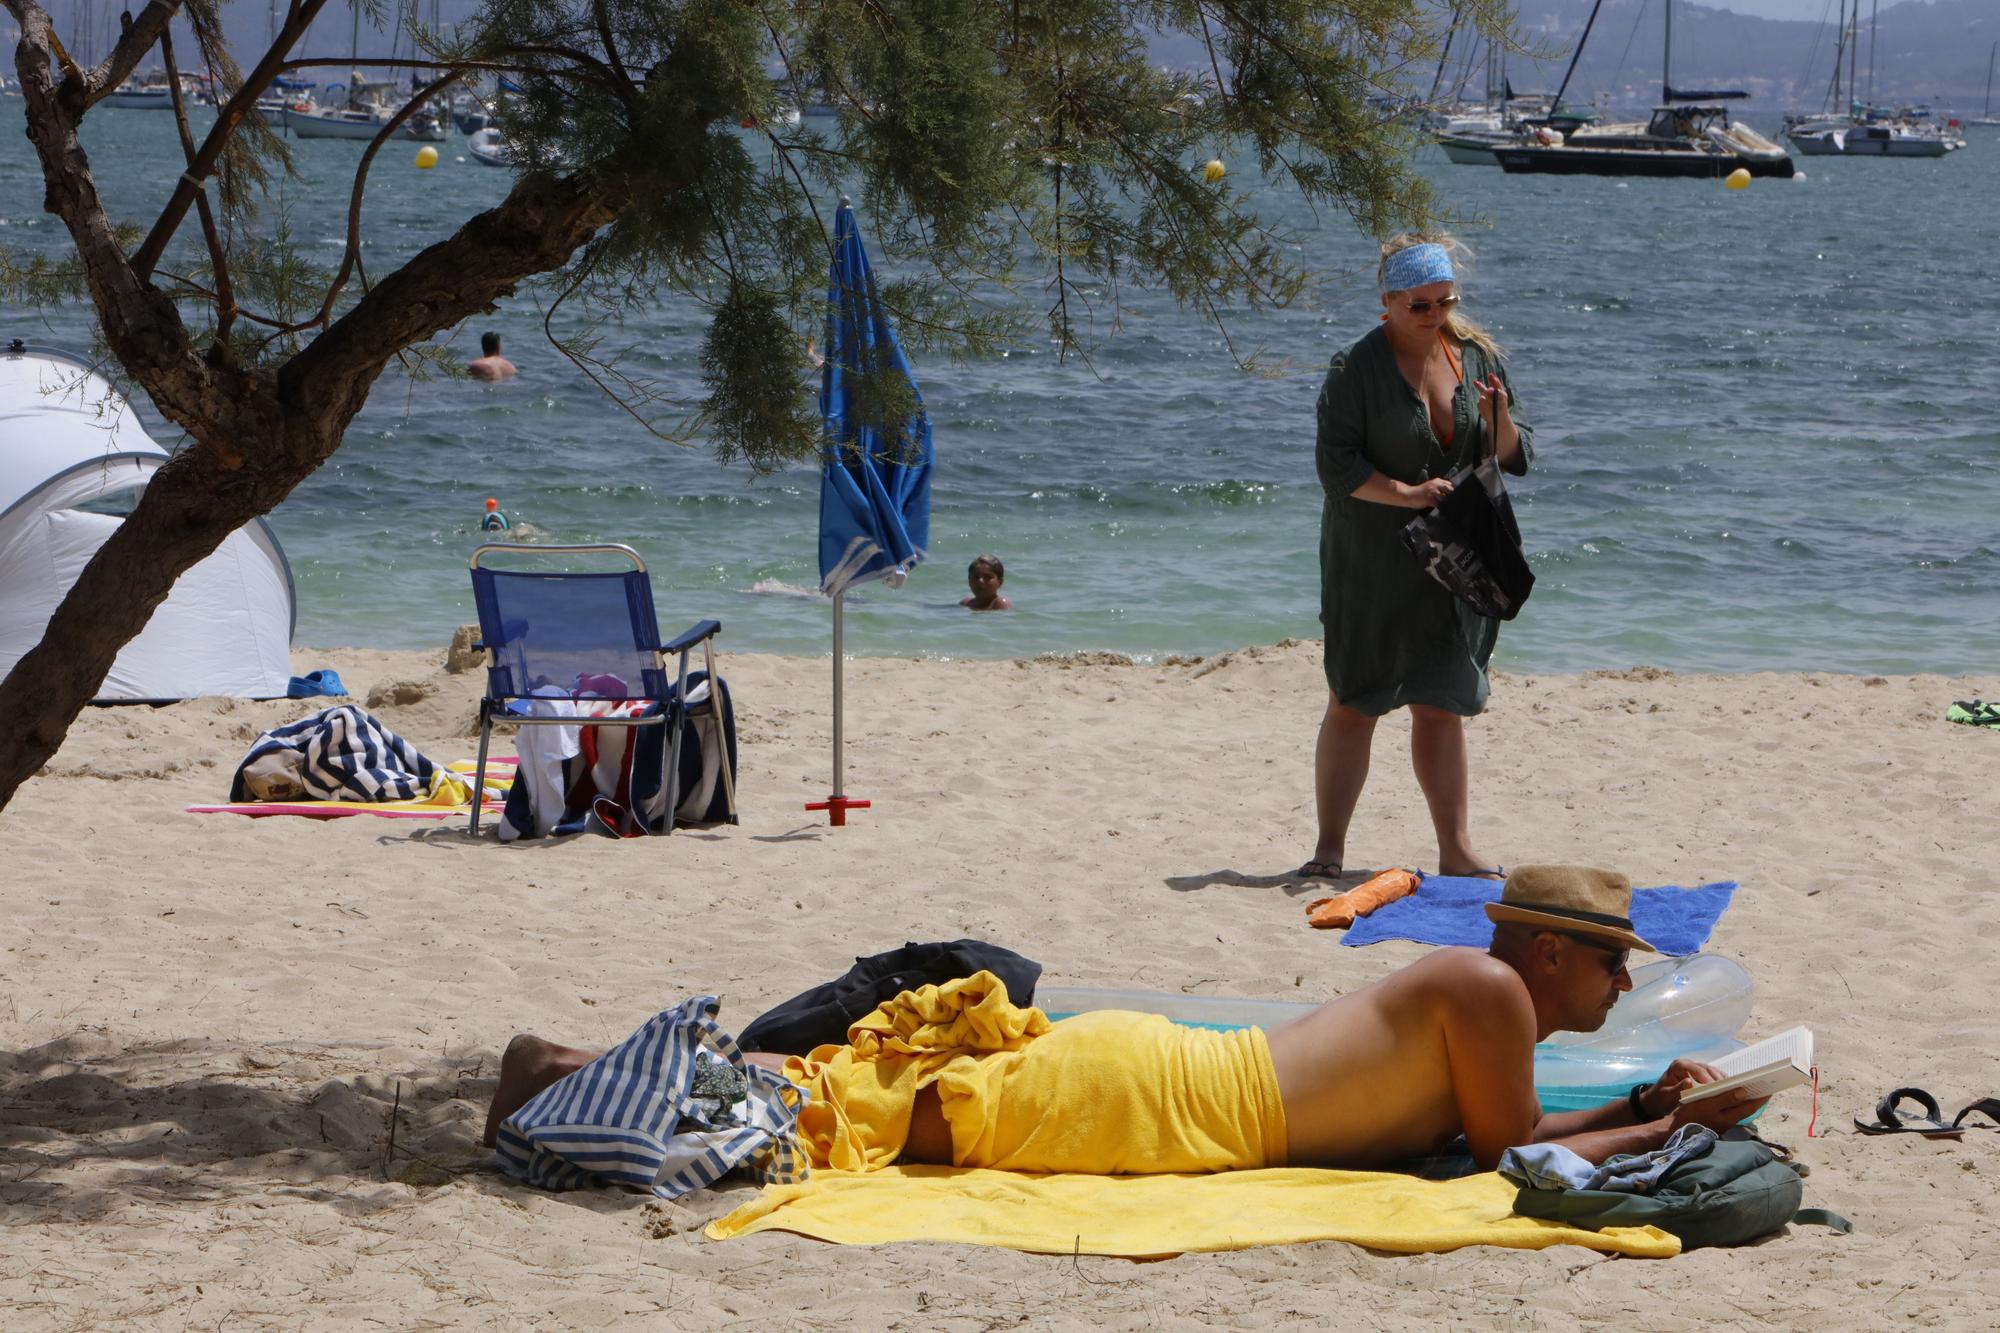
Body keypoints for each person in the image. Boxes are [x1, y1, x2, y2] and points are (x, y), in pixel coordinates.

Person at [482, 866, 1768, 1172]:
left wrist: (1645, 1106)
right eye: (1607, 972)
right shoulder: (1488, 989)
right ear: (1549, 952)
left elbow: (1519, 1125)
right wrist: (1663, 1123)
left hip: (1166, 1087)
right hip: (1155, 1105)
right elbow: (1508, 1153)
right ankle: (566, 1069)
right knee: (855, 1115)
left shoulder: (1488, 998)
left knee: (855, 1097)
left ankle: (581, 1068)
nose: (1614, 992)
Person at [1298, 232, 1531, 883]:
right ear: (1388, 302)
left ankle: (1455, 849)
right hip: (1370, 557)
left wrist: (1500, 417)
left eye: (1444, 302)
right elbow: (1336, 466)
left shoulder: (1477, 357)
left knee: (1441, 702)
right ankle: (1329, 847)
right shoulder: (1354, 369)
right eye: (1419, 305)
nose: (1434, 316)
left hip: (1457, 553)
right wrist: (1404, 493)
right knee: (1356, 697)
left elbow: (1513, 455)